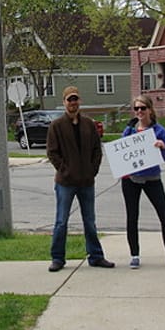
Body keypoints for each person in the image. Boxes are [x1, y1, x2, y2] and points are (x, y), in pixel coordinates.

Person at [46, 86, 115, 272]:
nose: (73, 103)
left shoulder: (89, 124)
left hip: (86, 182)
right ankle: (58, 258)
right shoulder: (56, 126)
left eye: (75, 99)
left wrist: (92, 170)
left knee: (90, 221)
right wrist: (64, 169)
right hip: (65, 183)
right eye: (69, 100)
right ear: (64, 102)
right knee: (61, 221)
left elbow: (96, 150)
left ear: (80, 101)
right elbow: (52, 152)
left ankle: (96, 256)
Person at [121, 95, 165, 269]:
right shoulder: (129, 130)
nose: (139, 111)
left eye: (143, 108)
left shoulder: (159, 131)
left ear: (150, 110)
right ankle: (134, 255)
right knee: (132, 217)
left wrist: (163, 146)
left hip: (152, 178)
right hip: (131, 180)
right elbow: (122, 154)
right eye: (136, 108)